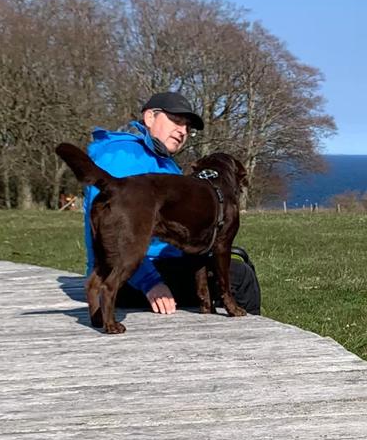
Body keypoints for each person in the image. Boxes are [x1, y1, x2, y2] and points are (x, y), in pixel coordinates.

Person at [82, 91, 261, 316]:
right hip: (132, 277)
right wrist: (150, 283)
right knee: (239, 276)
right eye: (176, 121)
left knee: (228, 264)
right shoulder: (122, 156)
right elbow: (117, 233)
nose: (183, 131)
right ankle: (251, 337)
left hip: (160, 266)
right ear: (150, 118)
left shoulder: (163, 162)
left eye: (187, 127)